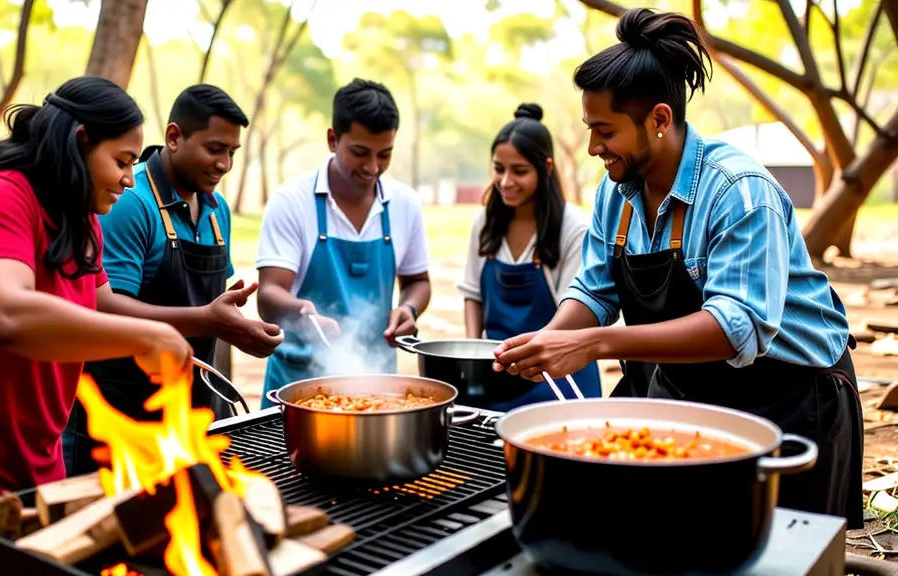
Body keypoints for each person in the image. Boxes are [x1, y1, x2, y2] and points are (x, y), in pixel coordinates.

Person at [493, 8, 862, 528]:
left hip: (791, 399)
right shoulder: (614, 193)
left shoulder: (739, 192)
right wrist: (548, 341)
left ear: (659, 120)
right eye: (590, 130)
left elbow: (737, 328)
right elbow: (596, 291)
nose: (595, 147)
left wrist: (597, 344)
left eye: (605, 132)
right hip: (690, 391)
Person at [0, 76, 192, 575]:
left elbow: (101, 303)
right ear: (81, 140)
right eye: (124, 161)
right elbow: (8, 314)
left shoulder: (78, 216)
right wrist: (149, 337)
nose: (132, 178)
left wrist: (194, 326)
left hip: (28, 468)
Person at [63, 84, 283, 475]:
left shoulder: (219, 211)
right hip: (121, 423)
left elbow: (214, 310)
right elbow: (106, 306)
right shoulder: (128, 202)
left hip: (195, 419)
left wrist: (238, 329)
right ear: (174, 137)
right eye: (215, 149)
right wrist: (207, 319)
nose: (224, 164)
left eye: (232, 152)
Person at [255, 78, 431, 407]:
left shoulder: (405, 204)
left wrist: (408, 309)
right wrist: (301, 310)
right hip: (296, 391)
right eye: (360, 152)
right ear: (332, 139)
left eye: (385, 155)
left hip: (376, 390)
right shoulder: (292, 201)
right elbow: (269, 294)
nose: (373, 167)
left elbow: (418, 282)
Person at [457, 104, 600, 411]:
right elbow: (472, 293)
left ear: (546, 168)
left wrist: (531, 356)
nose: (506, 181)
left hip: (559, 380)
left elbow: (576, 314)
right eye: (499, 168)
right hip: (495, 378)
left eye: (519, 171)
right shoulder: (484, 222)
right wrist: (472, 354)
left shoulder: (574, 227)